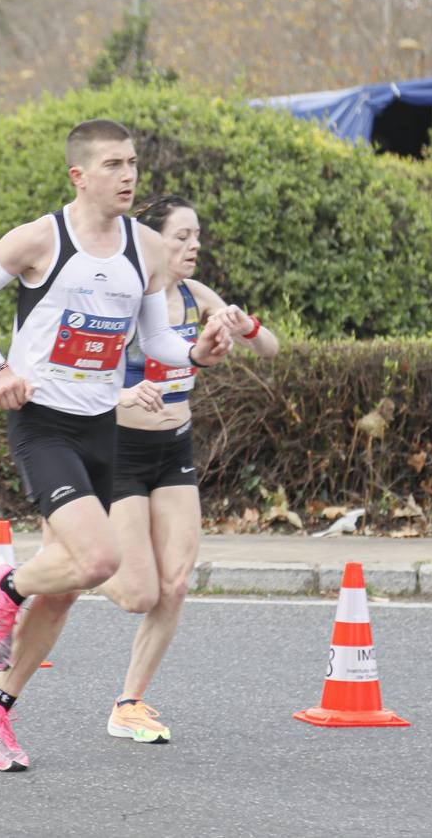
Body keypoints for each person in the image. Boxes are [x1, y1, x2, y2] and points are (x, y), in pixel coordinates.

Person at [0, 119, 234, 772]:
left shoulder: (147, 249)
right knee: (99, 560)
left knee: (67, 586)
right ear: (79, 176)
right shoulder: (40, 239)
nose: (127, 175)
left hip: (101, 426)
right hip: (42, 422)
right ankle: (7, 584)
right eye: (112, 165)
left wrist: (196, 353)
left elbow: (153, 342)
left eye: (132, 163)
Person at [99, 194, 279, 744]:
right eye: (181, 237)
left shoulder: (197, 296)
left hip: (174, 450)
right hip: (121, 452)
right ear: (152, 242)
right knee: (138, 594)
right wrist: (125, 395)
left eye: (197, 236)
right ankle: (67, 563)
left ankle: (129, 703)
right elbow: (81, 380)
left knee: (174, 585)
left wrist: (245, 324)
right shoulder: (127, 298)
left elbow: (270, 349)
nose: (193, 245)